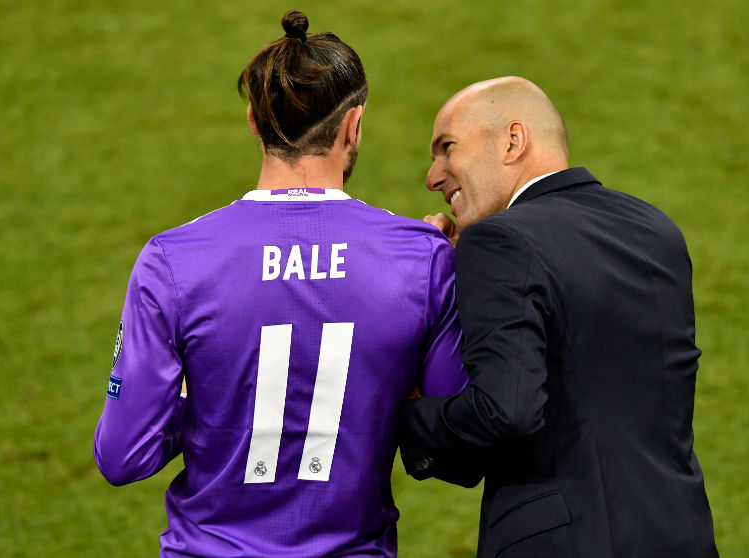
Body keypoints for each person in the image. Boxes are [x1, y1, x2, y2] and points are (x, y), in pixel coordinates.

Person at [93, 11, 468, 557]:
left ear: (253, 121)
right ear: (353, 124)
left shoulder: (173, 261)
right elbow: (453, 431)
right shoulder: (422, 257)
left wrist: (203, 403)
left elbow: (124, 456)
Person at [396, 76, 718, 557]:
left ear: (513, 140)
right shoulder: (654, 229)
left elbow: (507, 410)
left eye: (447, 148)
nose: (433, 175)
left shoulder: (500, 241)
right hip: (679, 532)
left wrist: (407, 412)